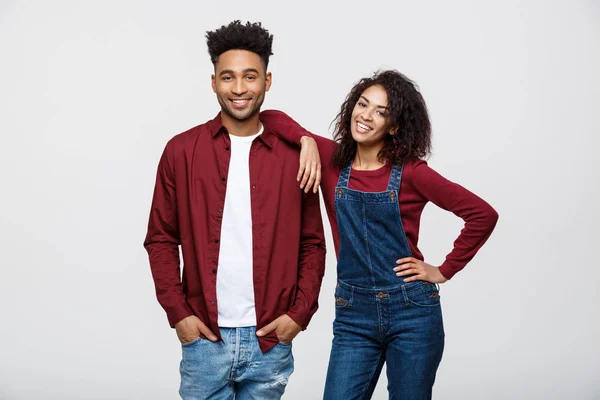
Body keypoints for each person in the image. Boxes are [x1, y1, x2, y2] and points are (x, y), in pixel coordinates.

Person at [262, 70, 499, 399]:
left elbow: (482, 214)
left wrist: (443, 270)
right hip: (353, 314)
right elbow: (269, 118)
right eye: (363, 104)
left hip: (411, 312)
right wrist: (305, 140)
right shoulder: (332, 160)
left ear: (395, 125)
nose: (366, 116)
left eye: (381, 112)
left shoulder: (414, 173)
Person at [143, 21, 326, 400]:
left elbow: (312, 243)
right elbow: (160, 239)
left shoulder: (295, 157)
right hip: (205, 338)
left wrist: (299, 315)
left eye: (250, 76)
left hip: (269, 341)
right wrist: (179, 314)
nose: (239, 89)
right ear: (213, 82)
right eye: (228, 77)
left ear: (267, 81)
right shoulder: (181, 151)